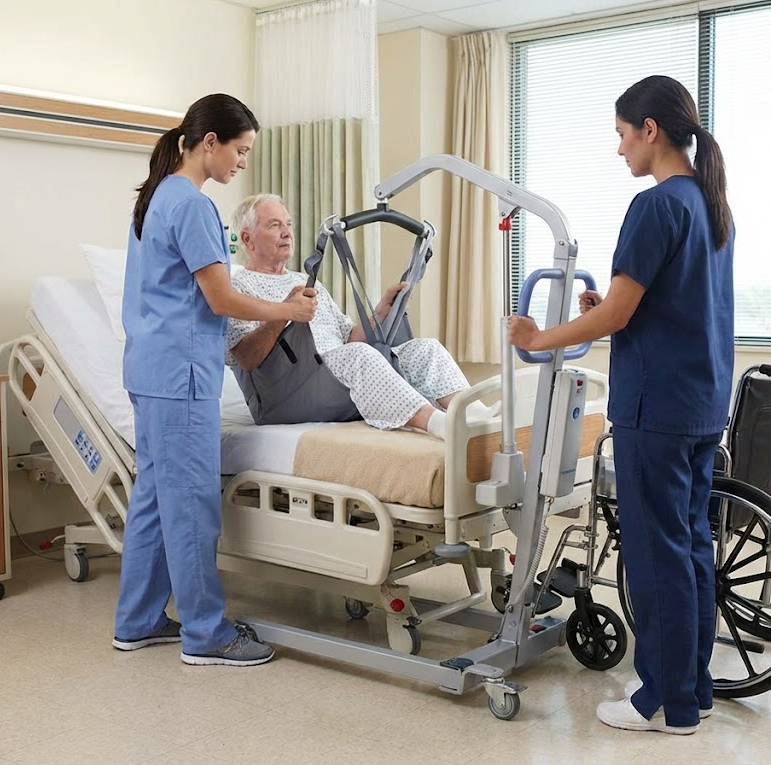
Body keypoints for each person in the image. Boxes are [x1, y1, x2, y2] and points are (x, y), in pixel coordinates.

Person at [508, 75, 734, 734]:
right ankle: (691, 688)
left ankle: (661, 701)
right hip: (699, 401)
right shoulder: (711, 203)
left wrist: (539, 336)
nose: (619, 150)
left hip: (655, 406)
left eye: (620, 134)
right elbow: (659, 305)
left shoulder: (655, 206)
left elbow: (621, 310)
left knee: (655, 553)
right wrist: (606, 311)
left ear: (650, 130)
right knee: (689, 548)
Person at [112, 95, 317, 667]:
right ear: (210, 143)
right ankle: (206, 634)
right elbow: (220, 297)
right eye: (241, 150)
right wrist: (285, 311)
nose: (242, 163)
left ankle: (138, 621)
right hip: (181, 376)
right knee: (192, 505)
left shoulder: (153, 197)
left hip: (151, 371)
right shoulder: (193, 206)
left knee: (154, 500)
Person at [224, 194, 498, 438]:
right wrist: (284, 313)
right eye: (274, 225)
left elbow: (349, 337)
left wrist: (381, 311)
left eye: (289, 224)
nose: (287, 233)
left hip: (333, 379)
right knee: (357, 355)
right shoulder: (238, 287)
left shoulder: (308, 282)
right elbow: (245, 357)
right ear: (247, 238)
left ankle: (472, 414)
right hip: (284, 396)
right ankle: (438, 424)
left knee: (424, 349)